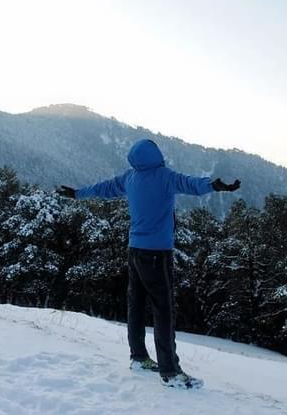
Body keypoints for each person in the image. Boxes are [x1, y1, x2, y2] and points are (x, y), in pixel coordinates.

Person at [57, 139, 240, 389]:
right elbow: (190, 183)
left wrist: (78, 194)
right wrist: (214, 185)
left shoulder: (129, 178)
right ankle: (170, 371)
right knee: (163, 311)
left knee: (136, 304)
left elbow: (103, 188)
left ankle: (138, 357)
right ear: (156, 155)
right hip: (157, 254)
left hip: (135, 251)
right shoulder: (164, 176)